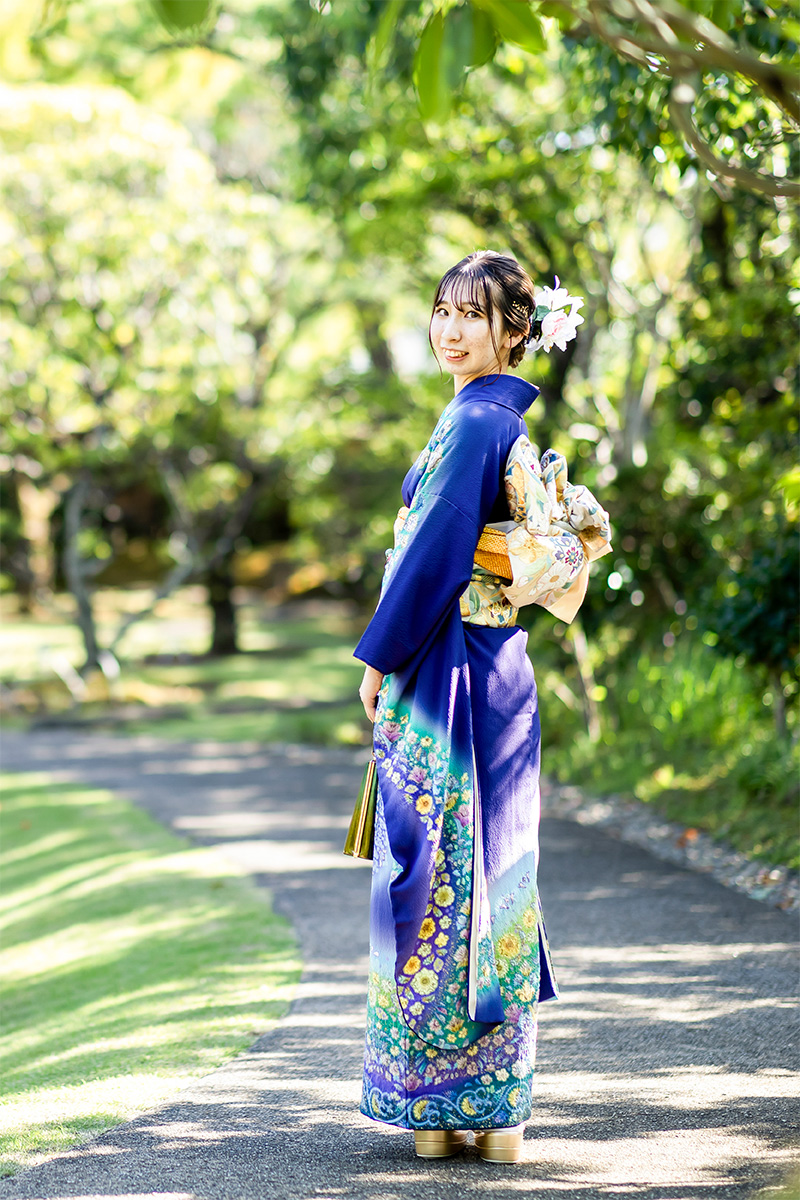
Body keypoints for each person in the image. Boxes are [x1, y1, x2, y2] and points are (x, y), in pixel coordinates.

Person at [354, 250, 609, 1164]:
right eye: (442, 310)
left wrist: (379, 657)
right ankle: (497, 1110)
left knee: (433, 879)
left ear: (514, 331)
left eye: (474, 314)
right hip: (498, 671)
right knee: (494, 874)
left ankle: (436, 1109)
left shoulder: (473, 423)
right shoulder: (492, 419)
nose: (451, 329)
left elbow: (433, 552)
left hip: (443, 669)